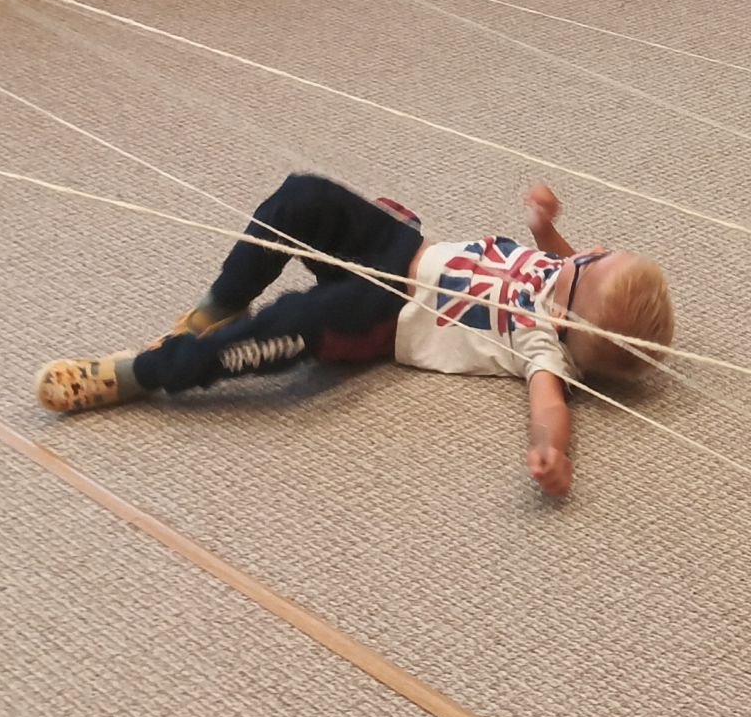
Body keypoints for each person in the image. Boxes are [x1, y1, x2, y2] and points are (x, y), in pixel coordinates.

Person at [33, 175, 674, 501]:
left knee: (291, 323)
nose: (590, 250)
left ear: (565, 321)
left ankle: (144, 373)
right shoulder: (567, 273)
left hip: (385, 315)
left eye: (592, 262)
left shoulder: (543, 344)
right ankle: (218, 305)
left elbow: (549, 405)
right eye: (600, 251)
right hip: (399, 248)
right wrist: (544, 225)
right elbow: (561, 257)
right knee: (304, 197)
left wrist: (550, 451)